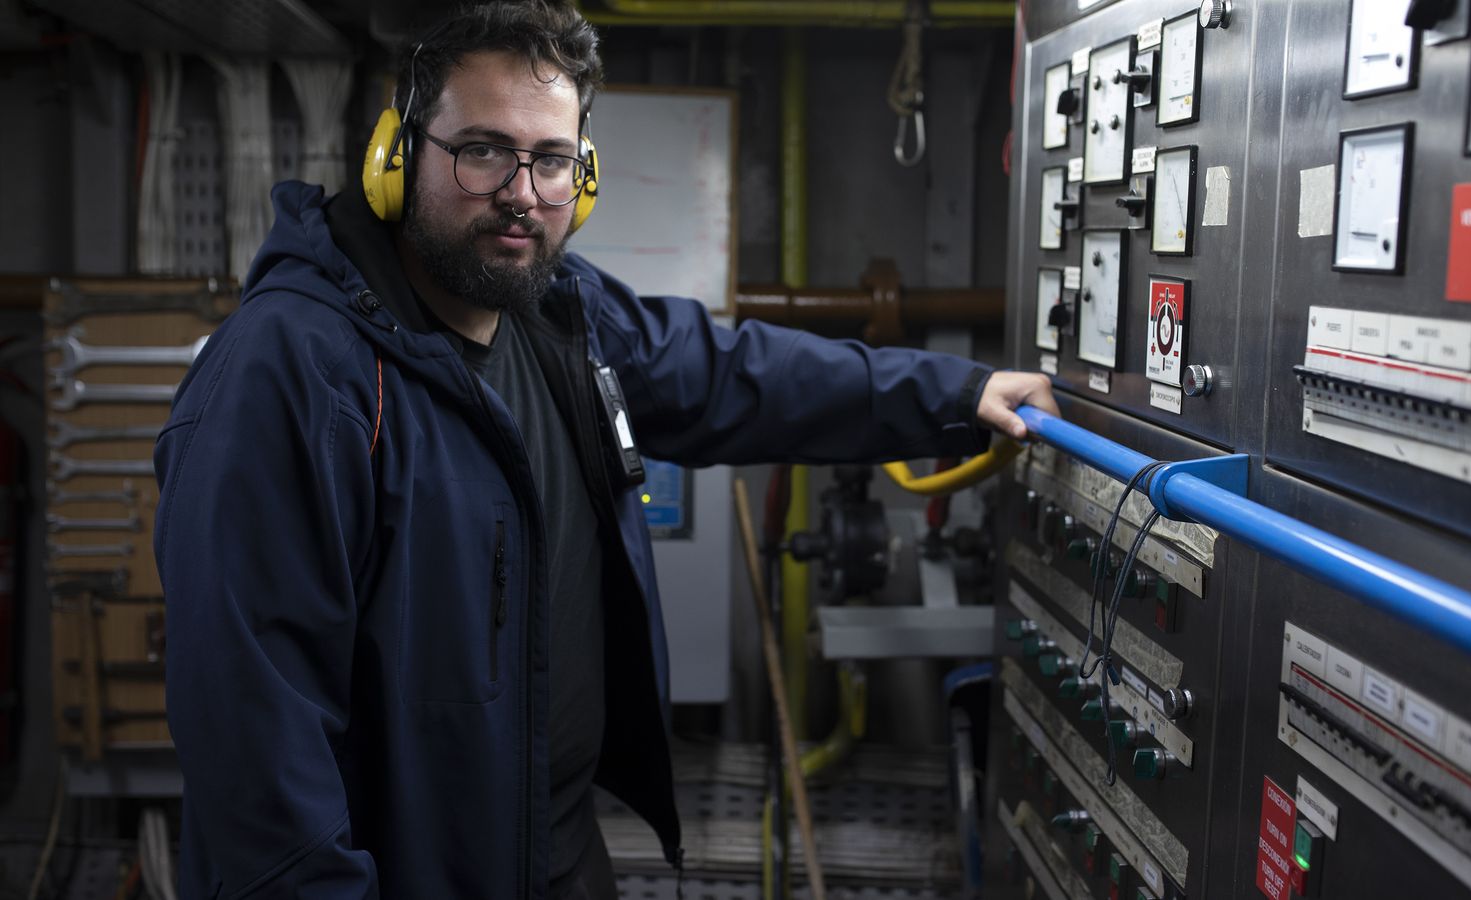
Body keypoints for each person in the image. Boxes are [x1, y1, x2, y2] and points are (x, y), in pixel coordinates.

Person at [153, 2, 1059, 897]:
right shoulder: (291, 375)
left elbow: (735, 374)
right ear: (395, 158)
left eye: (551, 160)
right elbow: (256, 758)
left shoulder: (558, 316)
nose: (521, 193)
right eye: (482, 152)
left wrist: (958, 393)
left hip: (558, 850)